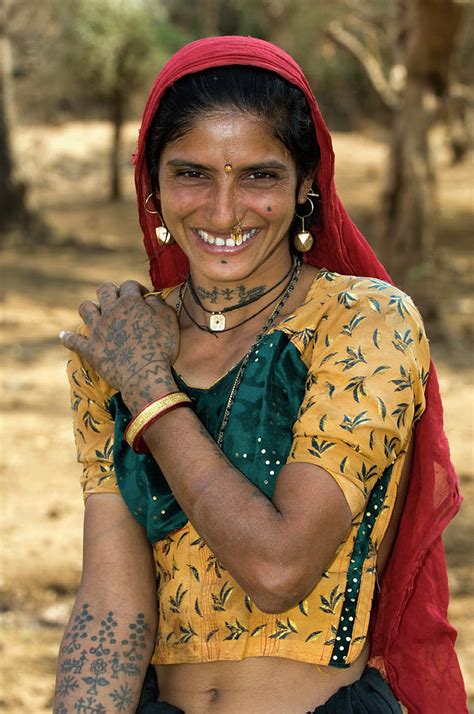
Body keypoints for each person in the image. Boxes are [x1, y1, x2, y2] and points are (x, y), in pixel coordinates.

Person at [55, 36, 466, 713]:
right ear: (152, 185)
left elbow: (279, 568)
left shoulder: (363, 323)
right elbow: (110, 605)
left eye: (259, 176)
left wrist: (151, 391)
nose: (223, 212)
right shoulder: (120, 343)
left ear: (307, 183)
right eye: (191, 174)